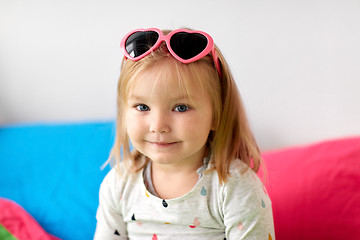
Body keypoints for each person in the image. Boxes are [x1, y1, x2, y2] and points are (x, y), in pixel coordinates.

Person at [94, 28, 275, 240]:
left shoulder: (235, 189)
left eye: (181, 108)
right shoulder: (119, 183)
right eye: (142, 107)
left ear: (217, 115)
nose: (158, 126)